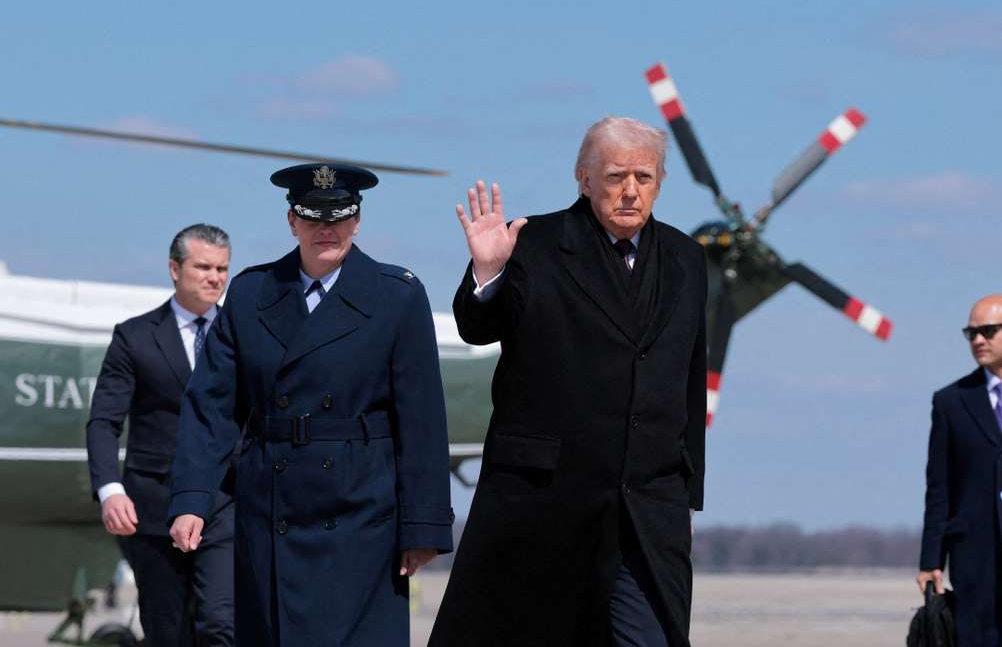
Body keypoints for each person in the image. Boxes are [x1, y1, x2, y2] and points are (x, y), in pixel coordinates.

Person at [430, 116, 708, 646]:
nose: (630, 191)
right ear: (584, 178)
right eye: (616, 176)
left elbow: (688, 382)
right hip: (546, 506)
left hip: (647, 513)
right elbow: (478, 327)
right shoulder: (534, 243)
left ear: (660, 183)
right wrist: (488, 274)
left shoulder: (686, 258)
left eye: (644, 177)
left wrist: (686, 497)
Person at [166, 163, 454, 646]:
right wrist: (192, 497)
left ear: (356, 221)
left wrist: (422, 526)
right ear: (292, 221)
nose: (327, 229)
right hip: (270, 513)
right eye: (313, 217)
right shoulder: (251, 293)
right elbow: (211, 406)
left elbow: (422, 419)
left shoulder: (397, 296)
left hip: (362, 515)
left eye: (339, 216)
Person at [86, 224, 234, 646]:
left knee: (221, 623)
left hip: (226, 502)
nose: (214, 278)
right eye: (203, 267)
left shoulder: (242, 334)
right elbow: (104, 421)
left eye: (222, 269)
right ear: (174, 269)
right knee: (167, 631)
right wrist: (110, 489)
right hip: (154, 506)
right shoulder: (134, 337)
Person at [918, 295, 1002, 647]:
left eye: (989, 331)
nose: (979, 340)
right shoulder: (950, 401)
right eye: (972, 333)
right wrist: (931, 560)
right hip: (974, 559)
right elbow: (939, 487)